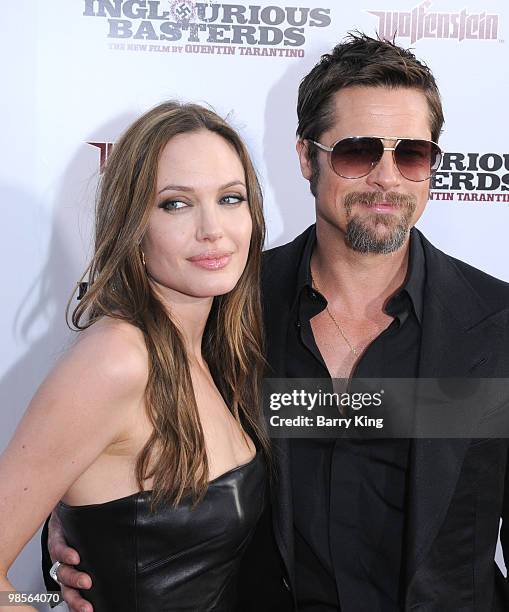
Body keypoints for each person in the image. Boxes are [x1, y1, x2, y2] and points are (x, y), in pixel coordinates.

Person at [45, 33, 509, 611]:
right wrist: (81, 537)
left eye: (411, 155)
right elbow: (125, 463)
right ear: (305, 156)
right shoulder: (224, 309)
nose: (387, 179)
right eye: (358, 152)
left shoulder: (496, 325)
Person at [0, 101, 272, 611]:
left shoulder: (212, 350)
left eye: (230, 199)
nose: (212, 228)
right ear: (133, 224)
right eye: (175, 204)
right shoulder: (117, 359)